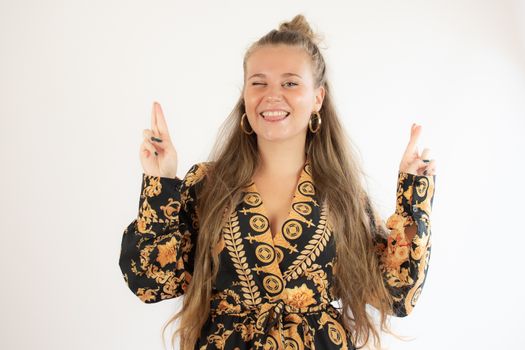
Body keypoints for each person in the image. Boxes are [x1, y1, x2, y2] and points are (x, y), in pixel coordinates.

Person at [118, 14, 437, 350]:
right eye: (259, 83)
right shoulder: (207, 184)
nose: (272, 95)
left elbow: (396, 295)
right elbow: (152, 282)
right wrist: (161, 180)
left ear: (318, 98)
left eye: (290, 83)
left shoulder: (342, 196)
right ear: (244, 94)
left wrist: (413, 194)